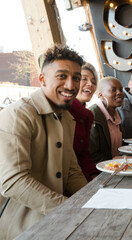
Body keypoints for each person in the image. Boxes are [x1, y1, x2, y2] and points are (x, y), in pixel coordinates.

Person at [0, 45, 88, 239]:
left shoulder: (66, 118)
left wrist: (93, 201)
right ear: (42, 79)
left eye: (76, 78)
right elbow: (13, 182)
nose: (71, 85)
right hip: (20, 228)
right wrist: (69, 209)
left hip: (54, 220)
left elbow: (72, 171)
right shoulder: (17, 115)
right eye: (61, 76)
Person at [69, 62, 100, 181]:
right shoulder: (63, 111)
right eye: (84, 79)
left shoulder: (87, 115)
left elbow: (84, 154)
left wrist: (94, 176)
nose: (90, 84)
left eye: (93, 81)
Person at [89, 77, 125, 164]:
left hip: (115, 167)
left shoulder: (117, 114)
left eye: (121, 90)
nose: (119, 93)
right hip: (99, 171)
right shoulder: (92, 115)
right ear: (100, 95)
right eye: (113, 90)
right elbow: (92, 154)